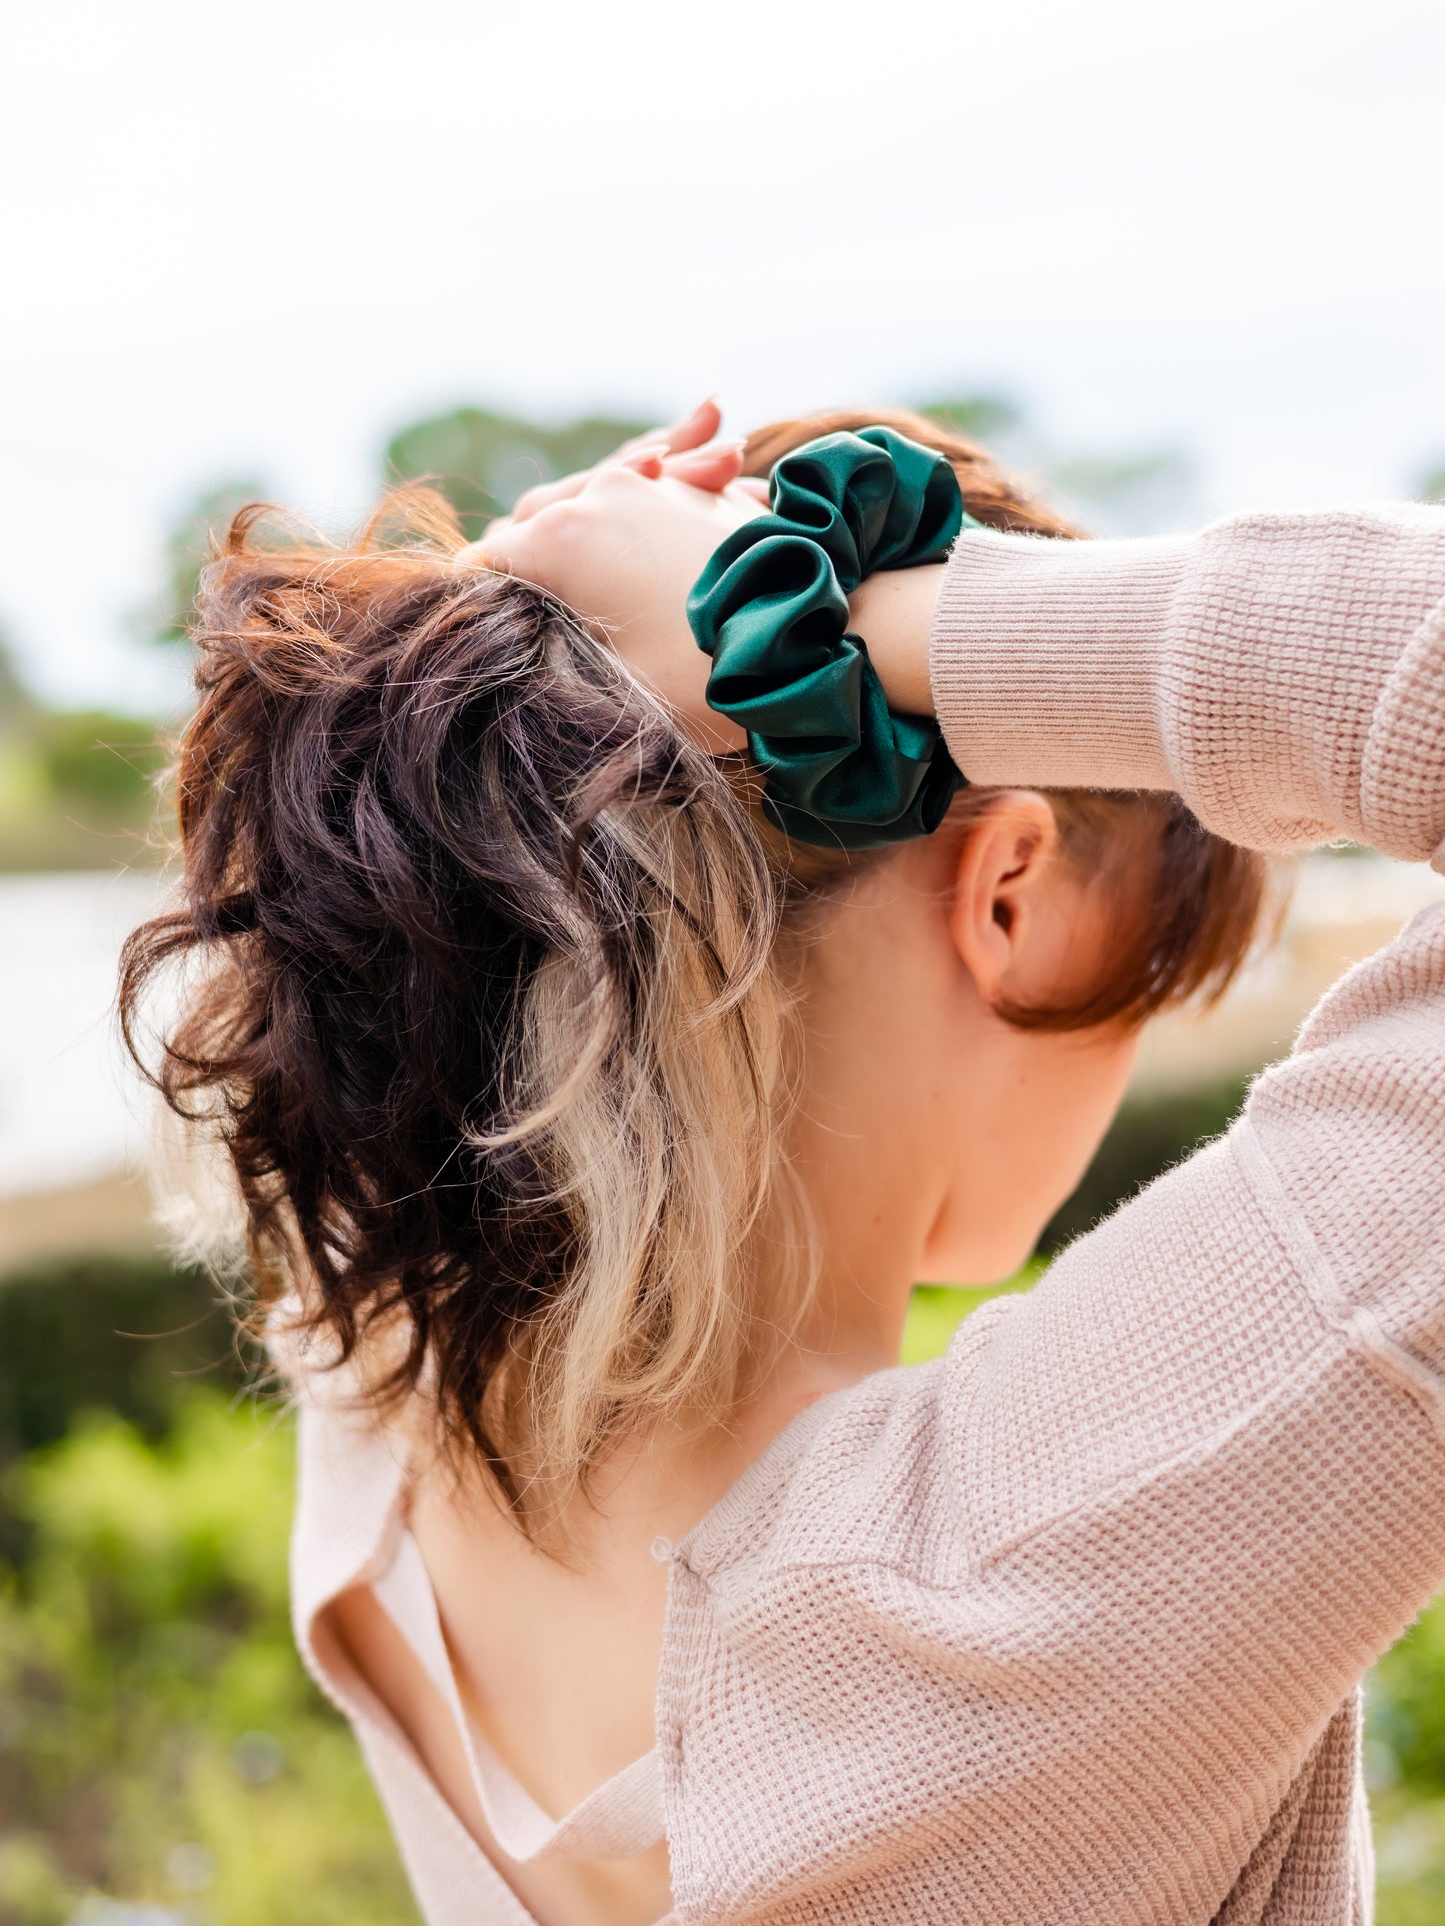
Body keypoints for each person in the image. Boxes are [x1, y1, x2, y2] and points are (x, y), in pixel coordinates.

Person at [120, 398, 1445, 1926]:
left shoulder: (378, 1373)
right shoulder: (1023, 1564)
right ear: (1009, 893)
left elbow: (398, 955)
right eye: (1157, 973)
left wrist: (511, 671)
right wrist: (903, 637)